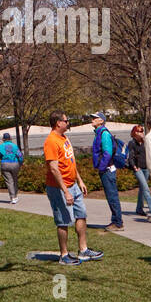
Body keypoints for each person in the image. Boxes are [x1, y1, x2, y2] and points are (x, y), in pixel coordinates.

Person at [44, 109, 103, 264]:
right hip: (59, 188)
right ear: (58, 123)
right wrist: (66, 192)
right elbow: (54, 169)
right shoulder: (51, 141)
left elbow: (70, 162)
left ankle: (83, 250)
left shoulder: (64, 138)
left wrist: (80, 180)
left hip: (73, 185)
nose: (68, 123)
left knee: (81, 215)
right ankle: (64, 255)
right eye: (66, 120)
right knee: (63, 221)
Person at [90, 110, 124, 231]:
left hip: (107, 170)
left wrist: (102, 167)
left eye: (95, 118)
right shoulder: (99, 133)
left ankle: (118, 223)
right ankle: (116, 221)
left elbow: (107, 153)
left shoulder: (103, 133)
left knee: (112, 196)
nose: (92, 120)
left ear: (101, 121)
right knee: (111, 196)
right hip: (106, 169)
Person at [128, 125, 151, 220]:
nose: (142, 133)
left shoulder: (145, 142)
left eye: (142, 131)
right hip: (138, 168)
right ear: (135, 133)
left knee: (142, 189)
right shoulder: (132, 143)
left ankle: (139, 208)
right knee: (146, 189)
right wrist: (134, 167)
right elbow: (131, 157)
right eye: (139, 131)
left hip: (146, 168)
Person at [0, 132, 24, 203]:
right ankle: (15, 196)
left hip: (5, 164)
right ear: (10, 138)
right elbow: (20, 155)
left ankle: (12, 197)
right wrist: (20, 163)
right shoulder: (14, 146)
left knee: (9, 181)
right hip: (15, 164)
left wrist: (1, 157)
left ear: (3, 139)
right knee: (15, 180)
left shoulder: (1, 146)